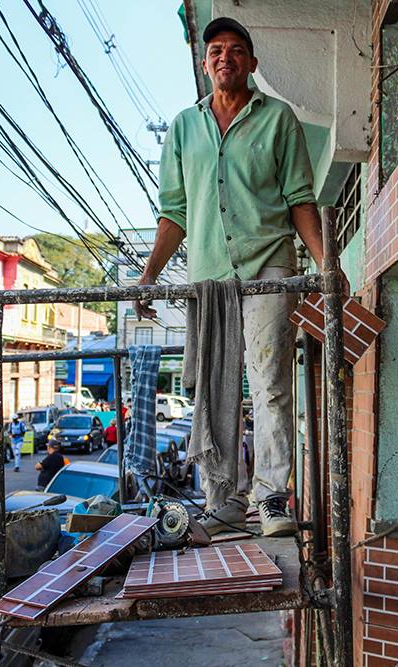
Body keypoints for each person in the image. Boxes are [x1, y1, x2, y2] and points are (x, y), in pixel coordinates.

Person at [134, 17, 345, 538]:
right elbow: (174, 213)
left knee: (270, 382)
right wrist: (148, 276)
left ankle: (272, 496)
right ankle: (223, 500)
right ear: (206, 65)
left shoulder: (279, 119)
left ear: (252, 63)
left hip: (269, 266)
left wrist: (327, 267)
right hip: (209, 278)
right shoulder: (184, 128)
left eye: (235, 49)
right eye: (215, 51)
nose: (224, 56)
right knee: (213, 388)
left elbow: (300, 200)